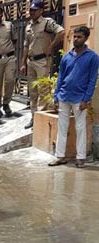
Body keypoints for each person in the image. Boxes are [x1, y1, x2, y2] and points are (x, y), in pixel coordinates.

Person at [49, 26, 99, 168]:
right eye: (75, 36)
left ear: (86, 38)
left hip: (80, 99)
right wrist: (56, 96)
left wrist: (86, 99)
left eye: (79, 37)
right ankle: (60, 156)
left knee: (80, 128)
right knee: (62, 127)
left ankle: (80, 158)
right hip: (64, 96)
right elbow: (60, 78)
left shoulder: (93, 57)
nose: (76, 39)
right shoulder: (66, 57)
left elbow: (92, 79)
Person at [20, 0, 65, 129]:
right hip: (31, 61)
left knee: (43, 90)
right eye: (31, 10)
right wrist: (23, 63)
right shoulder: (28, 26)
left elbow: (61, 32)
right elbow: (25, 46)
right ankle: (34, 117)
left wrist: (51, 46)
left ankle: (41, 118)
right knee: (32, 91)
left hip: (42, 61)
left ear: (41, 11)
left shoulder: (47, 23)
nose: (32, 12)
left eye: (34, 10)